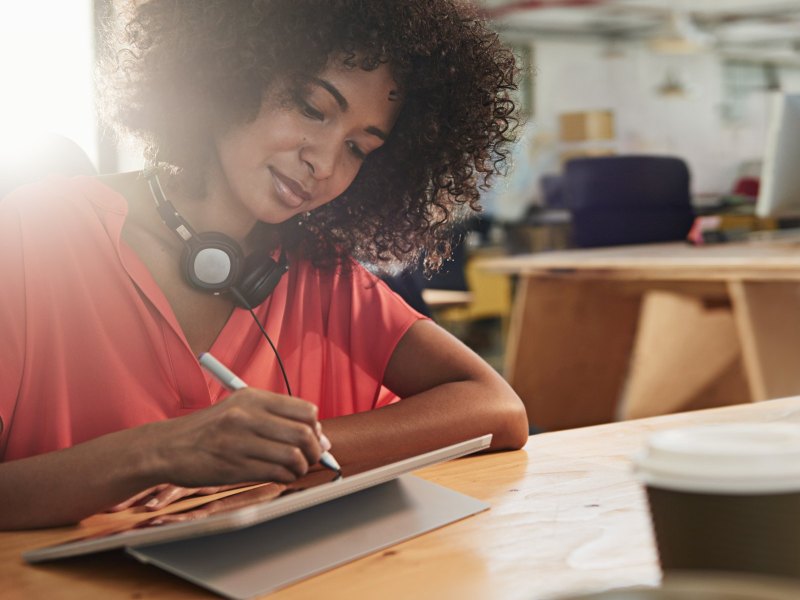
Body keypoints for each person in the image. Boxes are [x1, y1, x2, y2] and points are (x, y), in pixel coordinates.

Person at [0, 0, 528, 530]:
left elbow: (497, 408)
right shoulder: (26, 236)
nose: (323, 163)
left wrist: (275, 456)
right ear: (227, 70)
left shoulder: (315, 275)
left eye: (358, 148)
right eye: (311, 108)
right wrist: (158, 452)